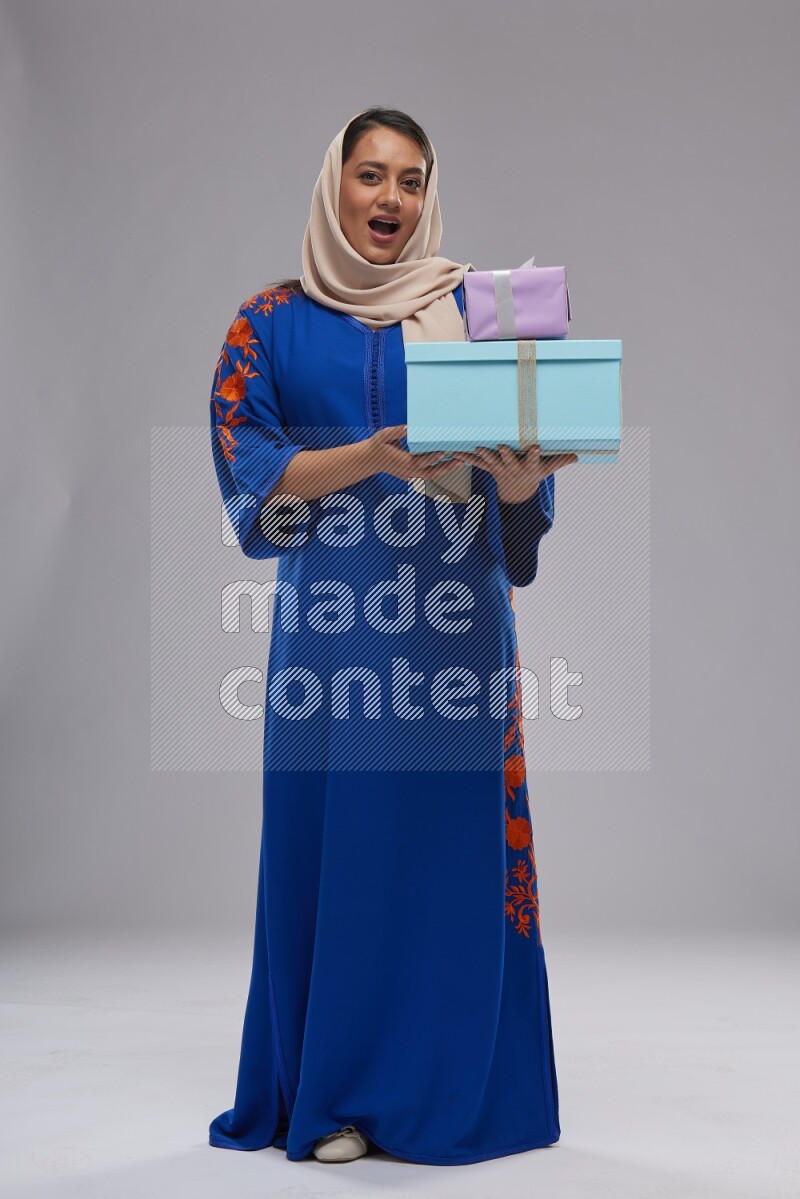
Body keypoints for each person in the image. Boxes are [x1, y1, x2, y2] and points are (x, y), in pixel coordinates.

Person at [207, 106, 578, 1167]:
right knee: (341, 854)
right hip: (333, 646)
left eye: (410, 181)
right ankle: (329, 1095)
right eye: (369, 176)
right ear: (333, 187)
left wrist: (516, 482)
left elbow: (519, 519)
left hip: (458, 637)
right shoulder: (267, 324)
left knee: (445, 855)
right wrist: (369, 452)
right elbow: (252, 483)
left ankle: (451, 1088)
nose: (390, 200)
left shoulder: (478, 309)